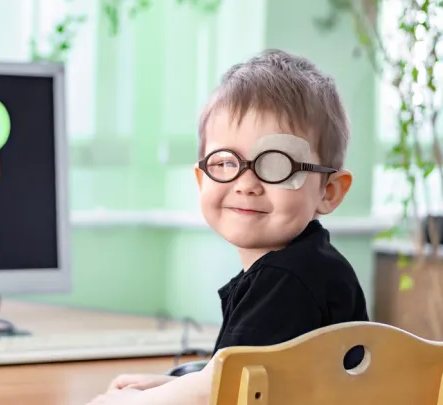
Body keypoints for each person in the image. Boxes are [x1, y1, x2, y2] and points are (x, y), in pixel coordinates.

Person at [86, 49, 369, 405]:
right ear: (201, 178)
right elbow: (239, 378)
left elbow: (222, 390)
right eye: (225, 162)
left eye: (276, 164)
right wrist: (166, 385)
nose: (246, 183)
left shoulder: (288, 279)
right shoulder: (311, 264)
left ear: (328, 192)